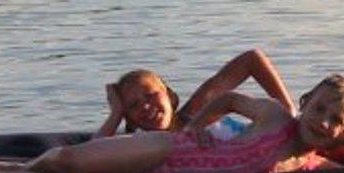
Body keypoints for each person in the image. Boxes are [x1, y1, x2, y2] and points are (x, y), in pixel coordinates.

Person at [0, 74, 344, 173]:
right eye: (319, 109)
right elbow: (228, 99)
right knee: (65, 160)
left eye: (335, 120)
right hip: (168, 149)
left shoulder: (308, 165)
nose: (323, 121)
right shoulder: (275, 116)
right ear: (305, 102)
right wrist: (197, 126)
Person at [95, 48, 296, 139]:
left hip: (272, 144)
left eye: (150, 95)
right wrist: (115, 114)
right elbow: (90, 159)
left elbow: (251, 60)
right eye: (133, 106)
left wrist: (288, 111)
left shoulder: (198, 111)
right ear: (129, 119)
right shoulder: (136, 145)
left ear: (168, 95)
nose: (146, 106)